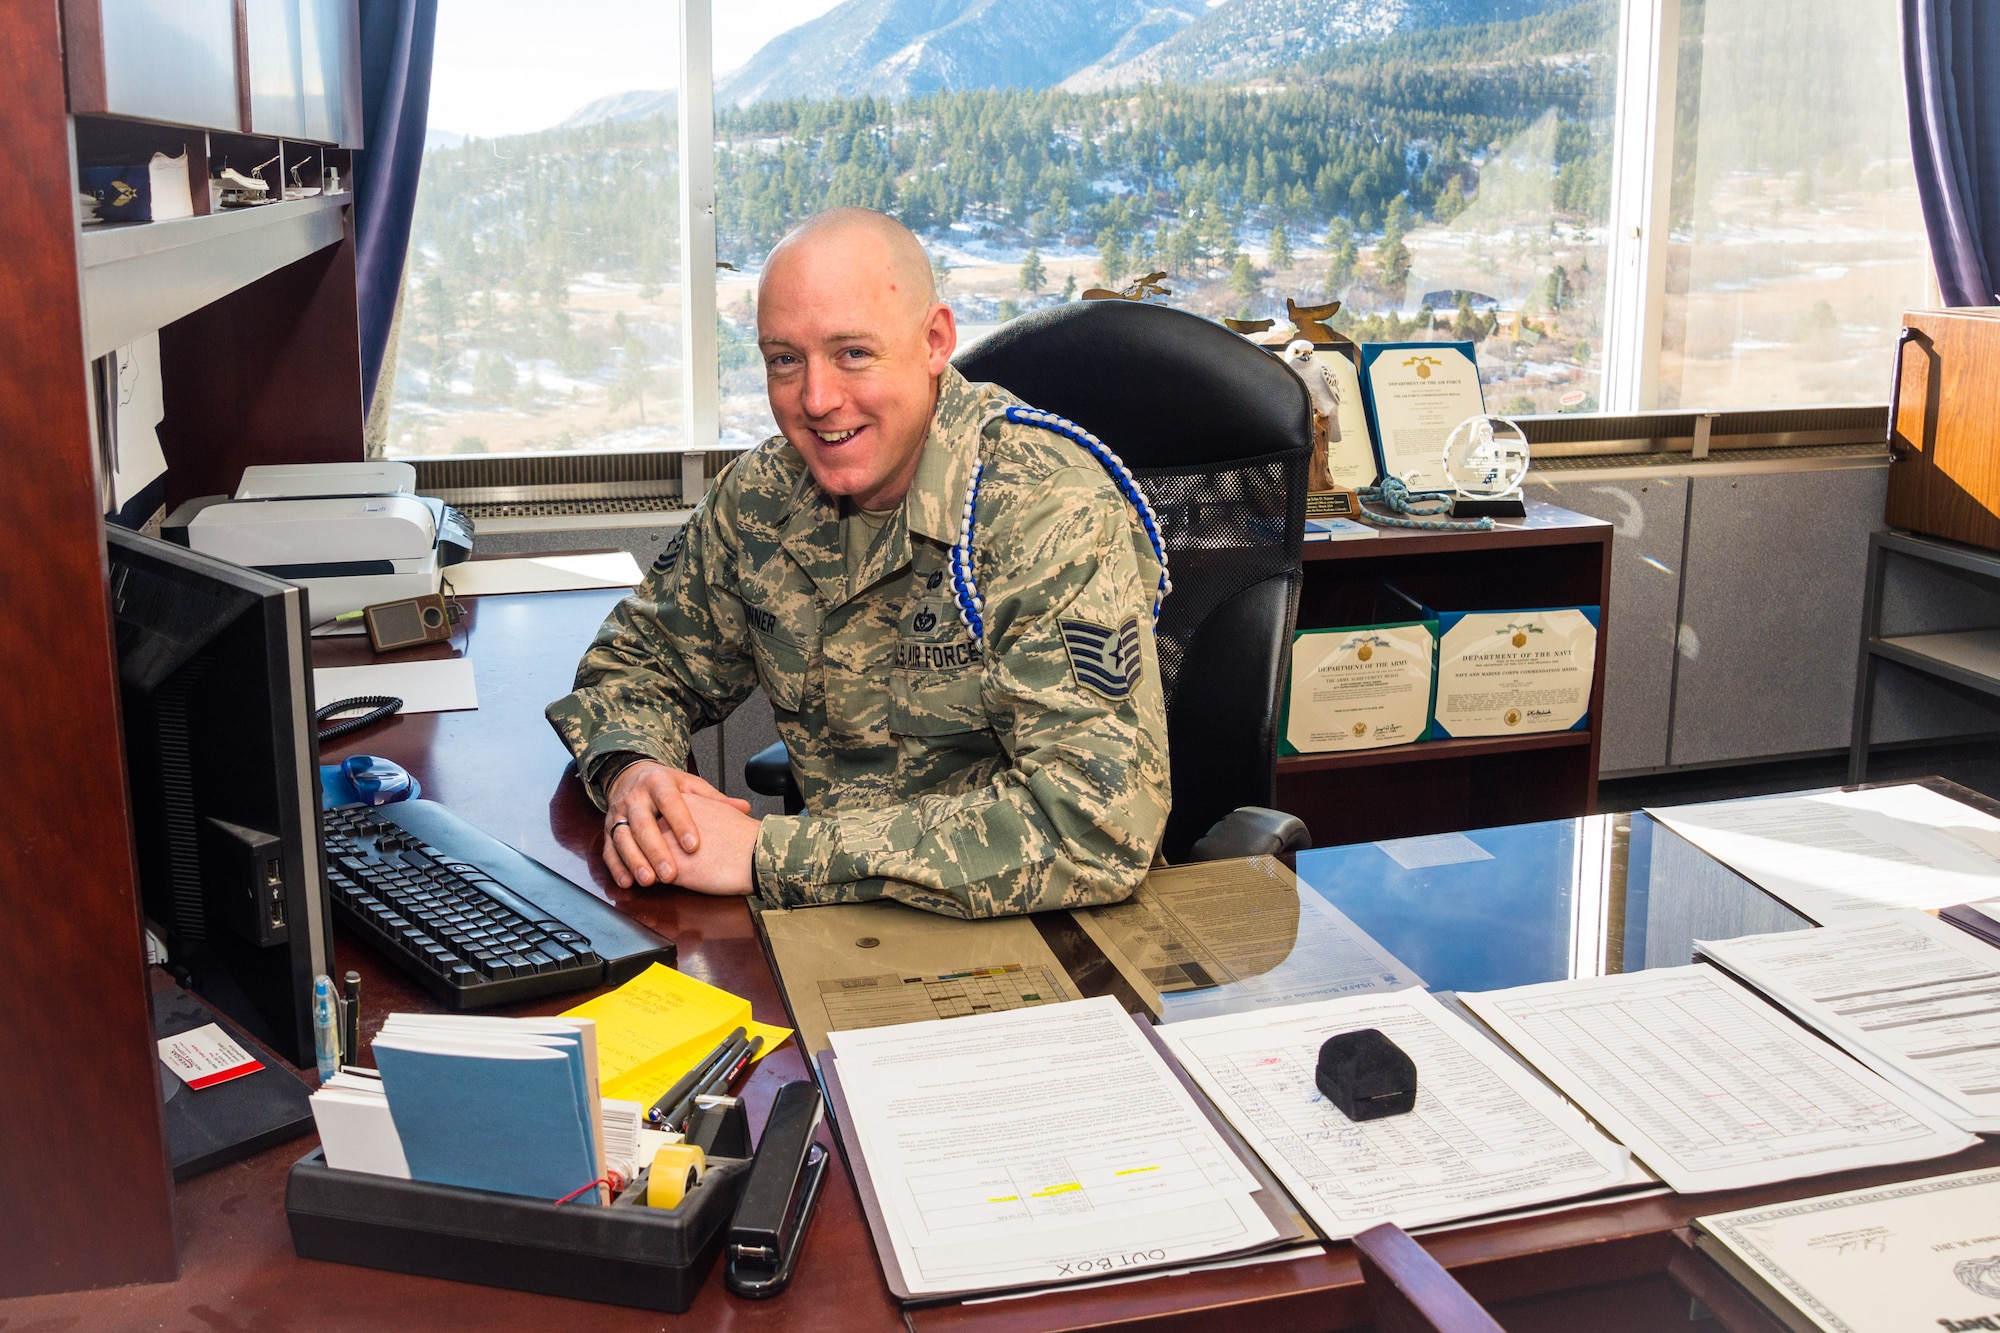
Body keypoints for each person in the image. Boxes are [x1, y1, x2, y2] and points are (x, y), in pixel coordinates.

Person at [545, 207, 1170, 918]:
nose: (816, 400)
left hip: (1044, 942)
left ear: (934, 341)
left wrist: (762, 854)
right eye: (785, 359)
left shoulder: (1044, 508)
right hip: (844, 928)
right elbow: (634, 664)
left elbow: (1097, 824)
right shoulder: (761, 498)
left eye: (852, 354)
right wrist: (635, 771)